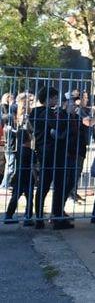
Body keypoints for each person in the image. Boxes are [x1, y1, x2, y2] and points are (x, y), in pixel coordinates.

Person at [30, 86, 74, 230]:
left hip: (43, 152)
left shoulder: (35, 112)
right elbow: (58, 125)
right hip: (53, 152)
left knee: (43, 186)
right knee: (58, 186)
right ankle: (57, 218)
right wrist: (66, 114)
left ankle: (40, 218)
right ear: (48, 98)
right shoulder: (46, 112)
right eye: (54, 98)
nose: (56, 100)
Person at [4, 93, 36, 226]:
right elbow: (29, 133)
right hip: (25, 170)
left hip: (21, 168)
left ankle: (10, 215)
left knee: (20, 194)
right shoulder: (25, 119)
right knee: (27, 194)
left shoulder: (20, 118)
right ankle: (26, 217)